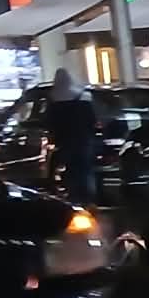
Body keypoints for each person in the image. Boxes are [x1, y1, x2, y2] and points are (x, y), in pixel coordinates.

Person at [46, 69, 102, 204]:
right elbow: (92, 120)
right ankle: (88, 197)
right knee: (85, 168)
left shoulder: (53, 99)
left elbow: (49, 123)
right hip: (84, 140)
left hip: (65, 142)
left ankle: (73, 197)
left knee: (70, 169)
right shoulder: (83, 97)